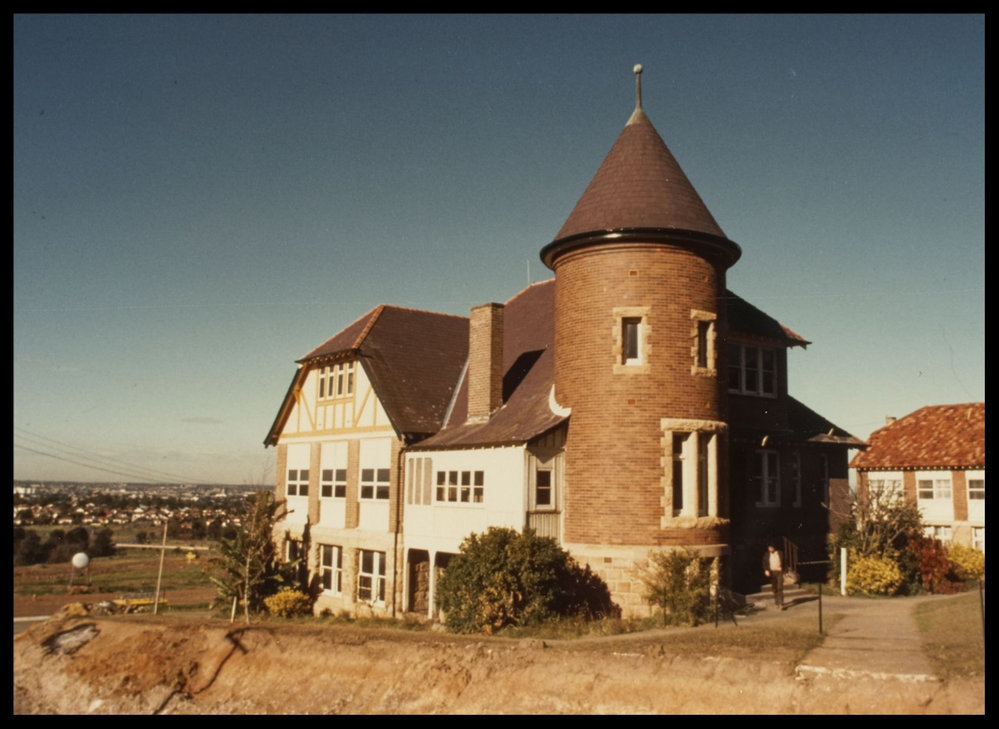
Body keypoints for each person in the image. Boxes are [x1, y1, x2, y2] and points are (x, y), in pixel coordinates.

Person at [763, 543, 784, 610]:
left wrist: (784, 570)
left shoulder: (780, 553)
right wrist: (766, 570)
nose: (770, 549)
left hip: (779, 572)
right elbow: (764, 563)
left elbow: (785, 561)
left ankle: (781, 604)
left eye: (771, 547)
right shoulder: (766, 555)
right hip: (772, 573)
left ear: (774, 547)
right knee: (774, 588)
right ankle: (777, 602)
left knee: (780, 587)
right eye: (769, 548)